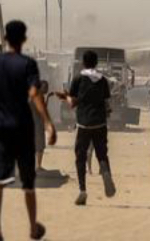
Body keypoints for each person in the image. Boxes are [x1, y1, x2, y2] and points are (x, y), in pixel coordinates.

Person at [0, 20, 56, 241]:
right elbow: (34, 94)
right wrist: (48, 123)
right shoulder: (28, 64)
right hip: (22, 128)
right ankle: (33, 227)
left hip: (0, 127)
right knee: (28, 183)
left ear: (5, 38)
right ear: (24, 39)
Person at [58, 49, 117, 205]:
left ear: (83, 63)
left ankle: (83, 190)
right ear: (96, 63)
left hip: (84, 123)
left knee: (80, 156)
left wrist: (65, 97)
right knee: (102, 153)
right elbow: (107, 104)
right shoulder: (103, 80)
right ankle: (105, 172)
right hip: (100, 123)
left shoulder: (78, 79)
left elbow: (72, 104)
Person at [33, 80, 52, 170]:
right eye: (45, 87)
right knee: (40, 145)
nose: (46, 88)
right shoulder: (39, 96)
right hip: (37, 124)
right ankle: (38, 166)